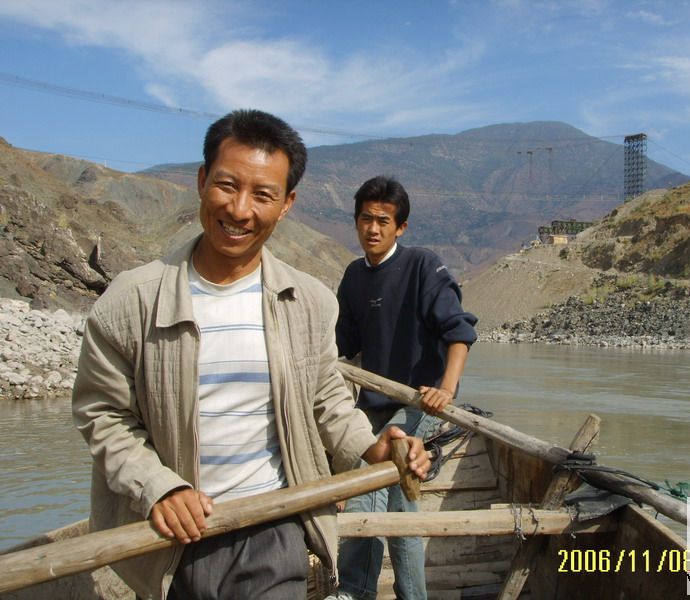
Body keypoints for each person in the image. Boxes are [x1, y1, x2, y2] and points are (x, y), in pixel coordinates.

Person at [72, 111, 430, 600]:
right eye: (227, 185)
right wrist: (159, 486)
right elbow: (103, 414)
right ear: (202, 181)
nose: (240, 210)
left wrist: (374, 448)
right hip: (170, 539)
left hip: (272, 531)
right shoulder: (132, 301)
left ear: (286, 205)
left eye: (263, 194)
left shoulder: (308, 302)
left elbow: (325, 399)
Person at [333, 176, 478, 600]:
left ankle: (358, 591)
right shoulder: (354, 276)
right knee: (395, 498)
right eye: (366, 219)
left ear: (401, 227)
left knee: (375, 481)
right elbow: (342, 346)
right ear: (356, 222)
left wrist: (445, 389)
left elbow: (459, 332)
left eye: (383, 221)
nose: (373, 229)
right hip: (374, 404)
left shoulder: (422, 265)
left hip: (419, 403)